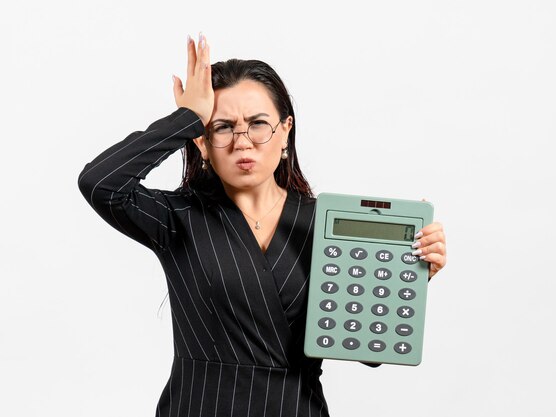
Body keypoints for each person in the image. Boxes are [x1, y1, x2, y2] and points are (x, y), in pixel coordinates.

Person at [77, 32, 447, 417]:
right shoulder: (178, 218)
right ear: (202, 143)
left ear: (285, 131)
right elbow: (100, 183)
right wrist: (187, 119)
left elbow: (368, 349)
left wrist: (405, 276)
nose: (243, 142)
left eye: (258, 123)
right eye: (221, 127)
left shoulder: (325, 222)